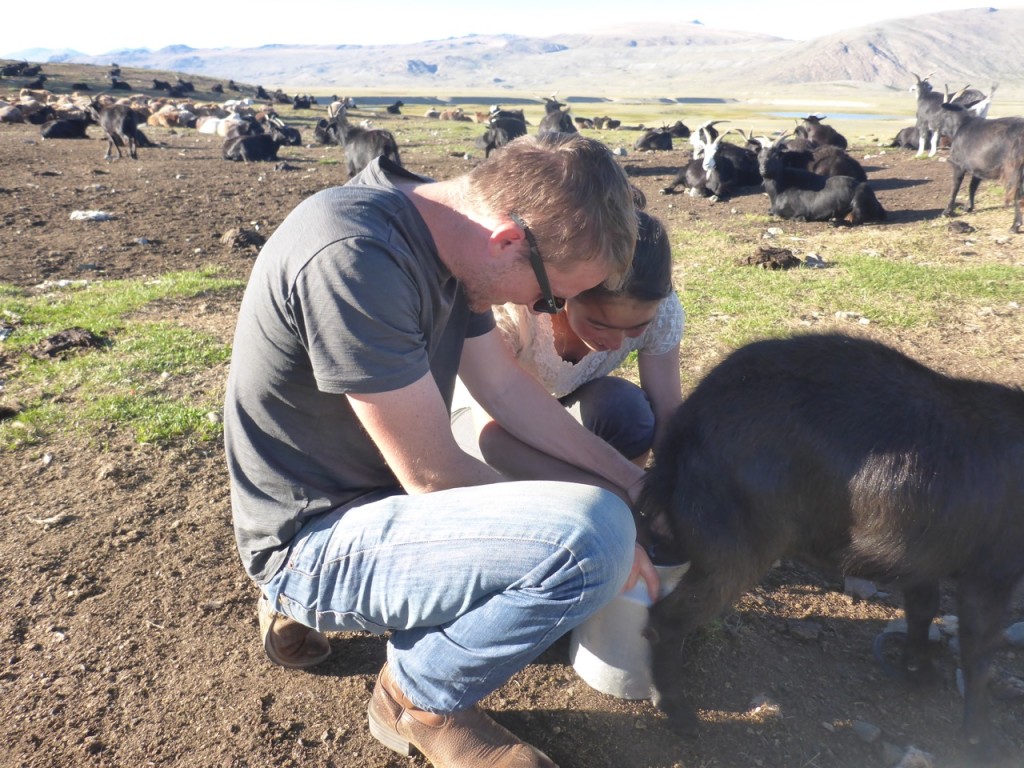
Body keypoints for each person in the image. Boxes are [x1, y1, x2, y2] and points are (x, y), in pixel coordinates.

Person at [223, 132, 659, 768]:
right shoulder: (355, 255)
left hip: (383, 497)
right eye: (547, 297)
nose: (537, 311)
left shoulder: (448, 238)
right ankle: (418, 697)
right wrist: (607, 539)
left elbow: (506, 388)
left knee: (599, 524)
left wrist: (631, 481)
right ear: (510, 239)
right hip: (312, 535)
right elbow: (431, 473)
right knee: (591, 540)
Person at [452, 210, 683, 491]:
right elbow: (492, 439)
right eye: (599, 325)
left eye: (637, 327)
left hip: (556, 412)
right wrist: (616, 489)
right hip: (476, 425)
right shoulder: (517, 312)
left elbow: (667, 412)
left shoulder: (661, 311)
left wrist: (678, 490)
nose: (616, 343)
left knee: (626, 408)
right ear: (568, 291)